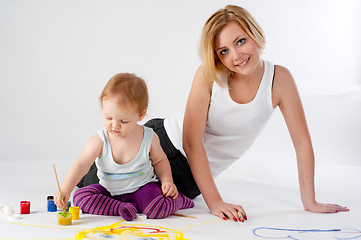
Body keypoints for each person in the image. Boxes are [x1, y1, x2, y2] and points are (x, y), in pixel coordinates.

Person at [79, 5, 349, 222]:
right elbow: (191, 142)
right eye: (224, 51)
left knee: (141, 206)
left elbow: (301, 142)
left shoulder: (279, 79)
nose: (236, 56)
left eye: (240, 41)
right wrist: (216, 202)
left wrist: (309, 201)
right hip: (161, 145)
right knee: (86, 190)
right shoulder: (209, 75)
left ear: (254, 34)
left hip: (191, 176)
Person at [54, 73, 194, 221]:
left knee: (156, 209)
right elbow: (82, 163)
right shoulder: (100, 139)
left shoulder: (149, 137)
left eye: (123, 121)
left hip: (142, 188)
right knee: (80, 197)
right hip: (109, 191)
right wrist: (66, 188)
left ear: (140, 115)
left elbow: (160, 161)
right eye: (108, 118)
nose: (114, 125)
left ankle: (179, 200)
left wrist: (167, 181)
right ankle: (121, 208)